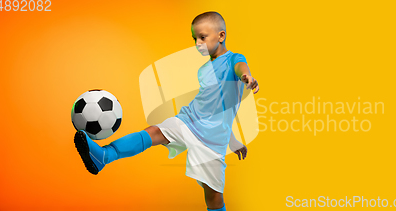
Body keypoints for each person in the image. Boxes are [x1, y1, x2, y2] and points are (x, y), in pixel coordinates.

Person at [73, 11, 259, 211]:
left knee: (213, 197)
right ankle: (104, 156)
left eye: (202, 37)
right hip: (189, 120)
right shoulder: (203, 70)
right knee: (154, 131)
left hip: (211, 141)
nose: (198, 43)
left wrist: (246, 76)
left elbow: (240, 69)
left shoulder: (234, 59)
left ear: (221, 36)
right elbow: (215, 109)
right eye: (194, 38)